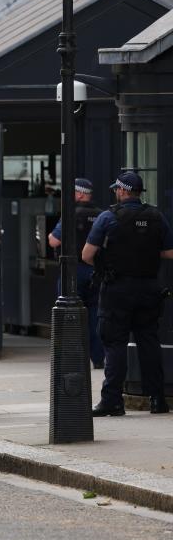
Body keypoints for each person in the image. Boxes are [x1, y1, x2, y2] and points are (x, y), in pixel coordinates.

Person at [82, 171, 173, 416]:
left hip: (117, 290)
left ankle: (112, 401)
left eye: (116, 189)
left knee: (115, 345)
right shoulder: (156, 217)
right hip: (149, 289)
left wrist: (109, 264)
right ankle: (157, 400)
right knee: (149, 343)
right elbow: (169, 252)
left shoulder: (108, 217)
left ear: (122, 191)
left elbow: (87, 255)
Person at [48, 177, 105, 368]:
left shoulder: (71, 214)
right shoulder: (101, 214)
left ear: (80, 193)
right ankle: (98, 359)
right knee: (96, 315)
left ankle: (74, 360)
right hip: (96, 271)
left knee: (70, 316)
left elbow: (54, 241)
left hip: (74, 271)